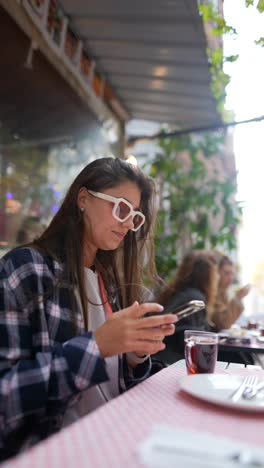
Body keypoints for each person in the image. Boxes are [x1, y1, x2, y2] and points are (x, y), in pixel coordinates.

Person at [0, 157, 177, 460]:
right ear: (83, 199)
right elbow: (6, 397)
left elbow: (111, 387)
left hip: (115, 437)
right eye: (122, 207)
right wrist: (97, 347)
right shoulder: (27, 268)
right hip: (54, 451)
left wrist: (134, 356)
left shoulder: (107, 282)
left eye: (135, 217)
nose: (127, 224)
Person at [154, 250, 218, 365]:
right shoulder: (196, 300)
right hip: (173, 362)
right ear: (208, 276)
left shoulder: (176, 293)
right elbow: (196, 341)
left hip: (158, 356)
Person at [210, 255, 250, 331]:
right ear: (217, 273)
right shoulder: (212, 292)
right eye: (227, 273)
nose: (230, 278)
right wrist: (237, 298)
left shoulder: (223, 292)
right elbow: (223, 323)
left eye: (232, 274)